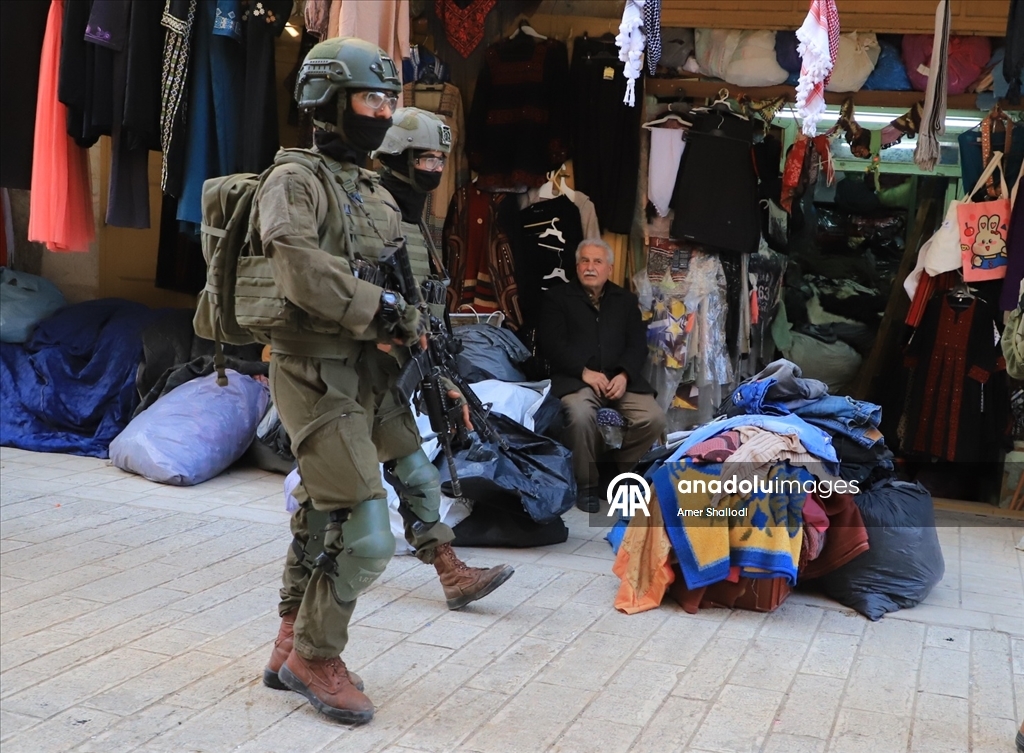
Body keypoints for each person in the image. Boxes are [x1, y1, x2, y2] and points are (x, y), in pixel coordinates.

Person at [253, 38, 508, 727]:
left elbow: (407, 297)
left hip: (375, 373)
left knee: (325, 510)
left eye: (389, 100)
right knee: (366, 534)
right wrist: (381, 310)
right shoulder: (293, 180)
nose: (382, 111)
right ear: (327, 101)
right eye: (371, 97)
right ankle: (316, 653)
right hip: (315, 372)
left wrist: (439, 372)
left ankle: (288, 641)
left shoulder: (371, 192)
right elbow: (300, 268)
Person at [538, 239, 667, 512]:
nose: (590, 267)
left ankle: (615, 473)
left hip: (620, 380)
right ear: (576, 266)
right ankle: (586, 483)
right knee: (580, 414)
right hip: (577, 379)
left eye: (597, 262)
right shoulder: (556, 298)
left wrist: (623, 375)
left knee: (652, 418)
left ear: (609, 268)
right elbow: (551, 344)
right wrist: (584, 372)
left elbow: (637, 345)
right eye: (585, 261)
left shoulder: (625, 300)